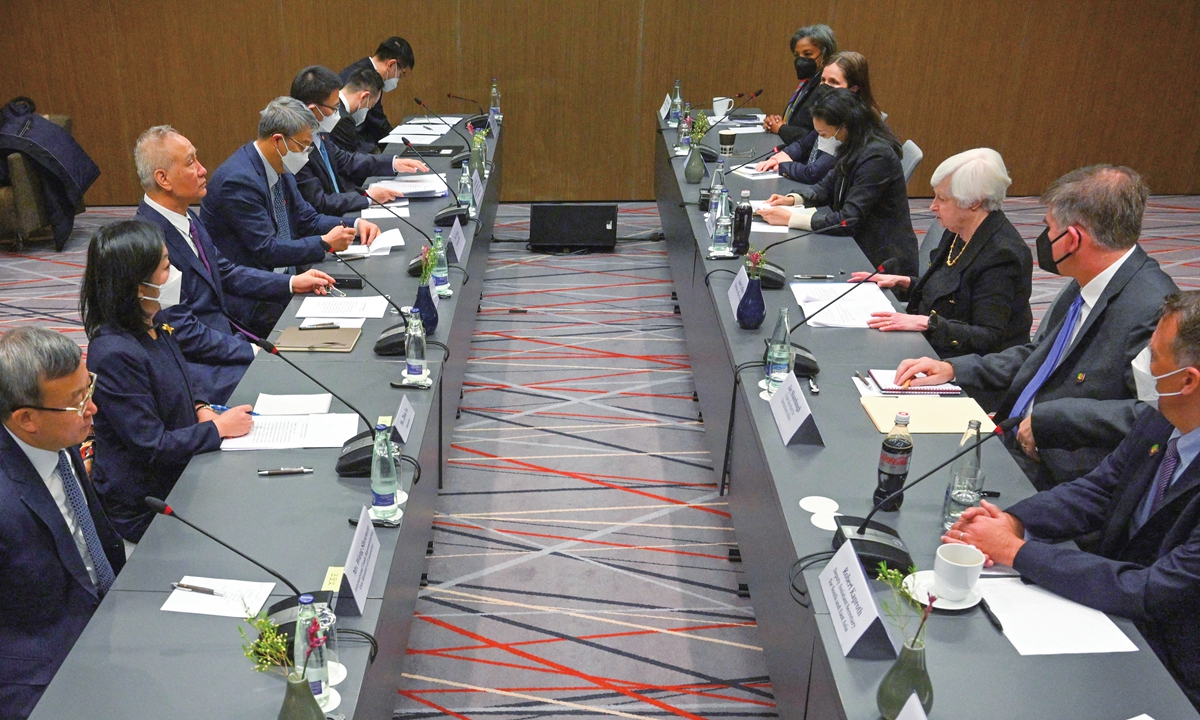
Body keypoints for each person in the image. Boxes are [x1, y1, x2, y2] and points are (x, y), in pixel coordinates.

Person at [943, 291, 1200, 711]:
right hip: (1114, 615)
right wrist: (1015, 521)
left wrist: (1017, 552)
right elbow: (1101, 488)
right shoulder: (1164, 416)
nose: (1141, 366)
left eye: (1153, 356)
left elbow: (1152, 590)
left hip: (1171, 669)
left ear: (1188, 381)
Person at [896, 165, 1178, 489]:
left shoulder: (1155, 310)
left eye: (1048, 228)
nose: (1042, 239)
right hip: (1012, 435)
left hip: (1063, 475)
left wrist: (1050, 422)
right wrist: (953, 369)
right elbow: (1039, 355)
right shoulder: (1089, 278)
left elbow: (1156, 416)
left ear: (1072, 239)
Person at [81, 220, 254, 547]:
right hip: (146, 505)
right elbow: (151, 446)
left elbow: (181, 374)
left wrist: (201, 406)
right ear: (137, 285)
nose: (176, 273)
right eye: (165, 267)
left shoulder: (154, 318)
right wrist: (217, 430)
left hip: (181, 471)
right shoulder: (113, 354)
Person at [133, 125, 337, 402]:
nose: (203, 169)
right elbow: (182, 331)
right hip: (194, 367)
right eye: (191, 162)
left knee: (318, 356)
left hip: (222, 340)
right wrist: (251, 351)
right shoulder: (148, 242)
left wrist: (290, 282)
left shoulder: (186, 218)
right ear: (163, 179)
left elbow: (225, 272)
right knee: (298, 381)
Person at [0, 326, 126, 718]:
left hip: (105, 621)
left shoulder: (56, 440)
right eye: (79, 401)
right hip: (40, 672)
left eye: (90, 389)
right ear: (27, 419)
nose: (94, 408)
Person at [199, 97, 381, 332]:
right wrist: (324, 244)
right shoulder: (238, 181)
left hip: (288, 277)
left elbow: (308, 219)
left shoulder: (280, 165)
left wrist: (354, 224)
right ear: (278, 141)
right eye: (304, 146)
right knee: (339, 330)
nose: (306, 153)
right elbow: (267, 250)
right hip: (255, 296)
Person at [850, 148, 1032, 358]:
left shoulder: (1002, 256)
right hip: (935, 347)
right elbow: (953, 293)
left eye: (942, 199)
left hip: (968, 366)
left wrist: (927, 323)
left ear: (974, 202)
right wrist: (905, 282)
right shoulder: (958, 230)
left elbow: (987, 336)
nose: (932, 206)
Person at [756, 88, 919, 276]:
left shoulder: (876, 157)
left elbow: (847, 220)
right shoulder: (853, 144)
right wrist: (793, 199)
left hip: (880, 259)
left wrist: (790, 219)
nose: (822, 141)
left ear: (845, 126)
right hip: (856, 244)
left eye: (824, 135)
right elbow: (827, 185)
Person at [289, 66, 428, 216]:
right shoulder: (296, 147)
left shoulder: (319, 132)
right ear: (313, 110)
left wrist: (393, 163)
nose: (338, 113)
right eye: (335, 107)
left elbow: (346, 160)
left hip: (342, 215)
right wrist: (367, 197)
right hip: (326, 225)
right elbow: (320, 202)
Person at [757, 51, 881, 184]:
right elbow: (805, 144)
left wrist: (783, 166)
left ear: (853, 89)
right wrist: (779, 157)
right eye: (823, 80)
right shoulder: (828, 113)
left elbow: (814, 173)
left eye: (833, 82)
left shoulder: (852, 122)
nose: (824, 87)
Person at [763, 24, 837, 145]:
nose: (800, 60)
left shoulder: (825, 88)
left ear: (825, 55)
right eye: (797, 55)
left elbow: (818, 137)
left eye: (807, 54)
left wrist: (782, 129)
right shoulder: (808, 83)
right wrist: (776, 123)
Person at [339, 36, 415, 151]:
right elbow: (377, 123)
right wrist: (398, 148)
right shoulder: (365, 76)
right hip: (351, 146)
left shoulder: (366, 69)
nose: (399, 78)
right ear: (391, 65)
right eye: (401, 74)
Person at [330, 66, 384, 155]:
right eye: (371, 106)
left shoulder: (328, 103)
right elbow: (350, 162)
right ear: (364, 97)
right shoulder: (344, 120)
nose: (368, 109)